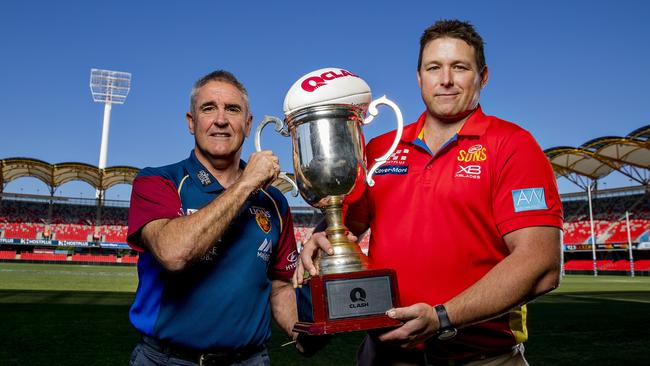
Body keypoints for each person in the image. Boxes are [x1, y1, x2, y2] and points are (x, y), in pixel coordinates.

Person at [294, 19, 563, 365]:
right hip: (384, 357)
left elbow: (540, 264)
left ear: (483, 76)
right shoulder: (380, 149)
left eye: (460, 67)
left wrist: (442, 318)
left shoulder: (512, 145)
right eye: (434, 67)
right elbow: (340, 226)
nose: (446, 79)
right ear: (419, 77)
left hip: (480, 357)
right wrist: (320, 239)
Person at [126, 70, 301, 366]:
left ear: (247, 125)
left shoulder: (275, 202)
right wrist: (245, 184)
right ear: (191, 122)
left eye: (232, 109)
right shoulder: (158, 182)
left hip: (249, 360)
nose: (221, 119)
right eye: (209, 108)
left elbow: (280, 285)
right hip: (168, 360)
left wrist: (303, 333)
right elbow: (173, 253)